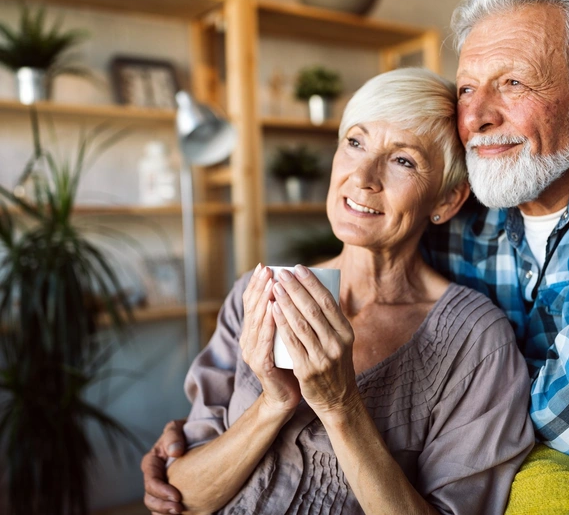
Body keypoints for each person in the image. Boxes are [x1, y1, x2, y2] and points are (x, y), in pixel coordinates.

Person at [145, 0, 569, 513]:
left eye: (514, 82)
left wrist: (459, 398)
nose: (477, 117)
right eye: (468, 87)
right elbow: (386, 244)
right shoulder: (481, 208)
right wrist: (195, 441)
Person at [145, 67, 534, 515]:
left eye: (404, 160)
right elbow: (180, 499)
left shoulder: (476, 339)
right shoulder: (257, 294)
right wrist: (273, 403)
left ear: (446, 200)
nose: (363, 176)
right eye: (355, 142)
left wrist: (340, 404)